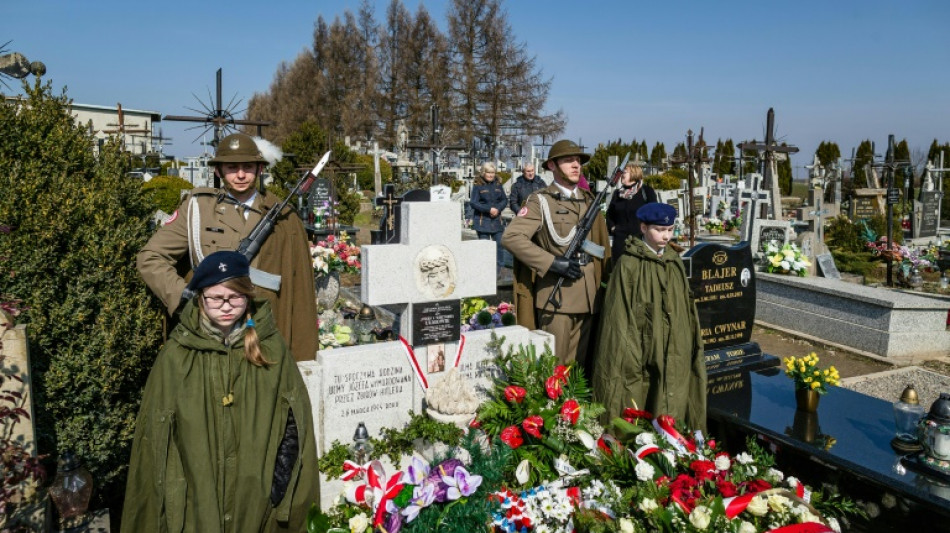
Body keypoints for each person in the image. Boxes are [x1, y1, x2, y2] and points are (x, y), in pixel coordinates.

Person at [122, 251, 320, 532]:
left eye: (235, 297)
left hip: (257, 498)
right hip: (195, 499)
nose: (226, 306)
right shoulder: (176, 355)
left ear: (248, 296)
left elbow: (295, 423)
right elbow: (153, 440)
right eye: (216, 298)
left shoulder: (270, 348)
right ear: (200, 297)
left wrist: (279, 484)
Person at [137, 132, 319, 362]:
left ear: (260, 169)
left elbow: (301, 292)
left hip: (265, 335)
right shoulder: (198, 210)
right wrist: (183, 297)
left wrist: (304, 360)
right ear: (218, 171)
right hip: (210, 335)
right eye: (232, 167)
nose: (241, 175)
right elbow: (150, 257)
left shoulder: (284, 217)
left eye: (248, 167)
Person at [592, 203, 706, 431]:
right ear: (643, 228)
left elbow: (685, 308)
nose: (665, 236)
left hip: (673, 342)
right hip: (641, 343)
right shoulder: (628, 263)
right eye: (659, 230)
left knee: (673, 391)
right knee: (642, 391)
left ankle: (672, 440)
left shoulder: (674, 262)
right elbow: (618, 316)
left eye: (670, 230)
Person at [501, 139, 611, 366]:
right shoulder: (540, 201)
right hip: (558, 298)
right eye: (568, 160)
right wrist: (551, 262)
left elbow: (601, 248)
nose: (576, 165)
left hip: (590, 298)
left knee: (580, 372)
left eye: (578, 161)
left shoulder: (588, 200)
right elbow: (511, 237)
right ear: (552, 166)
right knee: (555, 369)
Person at [605, 161, 658, 259]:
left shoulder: (646, 191)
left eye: (624, 172)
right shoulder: (618, 193)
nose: (621, 175)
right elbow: (609, 214)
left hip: (640, 242)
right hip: (620, 243)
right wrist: (613, 228)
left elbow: (654, 214)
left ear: (634, 173)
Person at [470, 162, 509, 274]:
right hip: (483, 222)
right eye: (488, 172)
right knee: (485, 249)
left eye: (493, 173)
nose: (491, 175)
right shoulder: (478, 185)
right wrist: (488, 209)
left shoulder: (498, 184)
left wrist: (497, 208)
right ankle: (485, 272)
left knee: (499, 247)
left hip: (497, 221)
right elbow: (473, 202)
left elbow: (504, 200)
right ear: (483, 172)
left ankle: (499, 272)